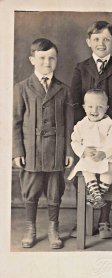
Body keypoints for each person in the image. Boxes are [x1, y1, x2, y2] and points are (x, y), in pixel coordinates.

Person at [70, 20, 112, 238]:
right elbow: (75, 101)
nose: (101, 43)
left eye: (106, 39)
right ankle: (85, 220)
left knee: (107, 172)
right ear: (89, 42)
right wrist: (83, 130)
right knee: (88, 173)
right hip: (87, 133)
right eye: (96, 39)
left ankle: (104, 220)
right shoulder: (81, 68)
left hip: (110, 132)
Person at [12, 38, 73, 249]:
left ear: (56, 60)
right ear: (32, 59)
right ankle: (31, 228)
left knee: (55, 190)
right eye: (42, 58)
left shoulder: (63, 90)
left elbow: (68, 124)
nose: (47, 62)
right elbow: (15, 122)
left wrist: (68, 151)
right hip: (31, 150)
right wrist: (17, 151)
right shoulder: (21, 88)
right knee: (31, 190)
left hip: (56, 149)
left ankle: (53, 229)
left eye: (51, 58)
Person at [68, 89, 112, 237]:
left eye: (100, 107)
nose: (94, 110)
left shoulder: (109, 123)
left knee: (109, 170)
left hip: (105, 156)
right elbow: (74, 141)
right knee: (85, 169)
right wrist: (83, 150)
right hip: (89, 157)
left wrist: (104, 152)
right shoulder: (81, 125)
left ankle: (99, 193)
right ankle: (96, 193)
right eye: (90, 107)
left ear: (106, 108)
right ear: (84, 107)